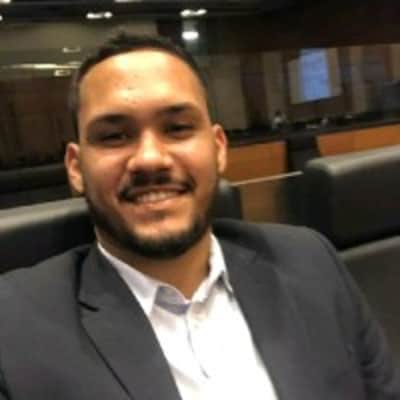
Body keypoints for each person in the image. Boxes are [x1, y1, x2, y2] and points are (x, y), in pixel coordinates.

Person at [0, 31, 398, 400]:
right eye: (114, 136)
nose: (150, 158)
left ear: (218, 148)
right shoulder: (14, 326)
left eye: (177, 128)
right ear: (75, 168)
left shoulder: (309, 261)